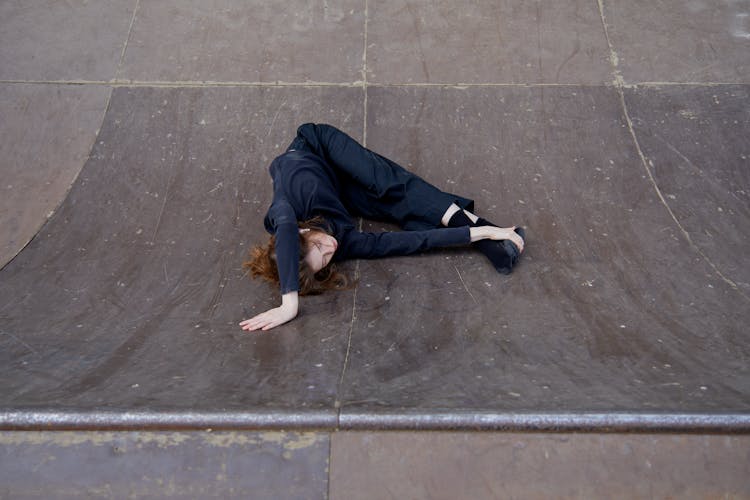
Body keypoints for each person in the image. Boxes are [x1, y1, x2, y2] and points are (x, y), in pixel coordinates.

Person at [240, 123, 525, 332]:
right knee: (395, 209)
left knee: (387, 183)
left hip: (318, 147)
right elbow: (412, 243)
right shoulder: (343, 243)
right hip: (338, 190)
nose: (331, 248)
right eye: (325, 259)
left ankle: (481, 232)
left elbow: (287, 232)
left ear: (302, 233)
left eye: (318, 245)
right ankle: (485, 234)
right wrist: (482, 233)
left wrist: (289, 304)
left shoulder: (284, 211)